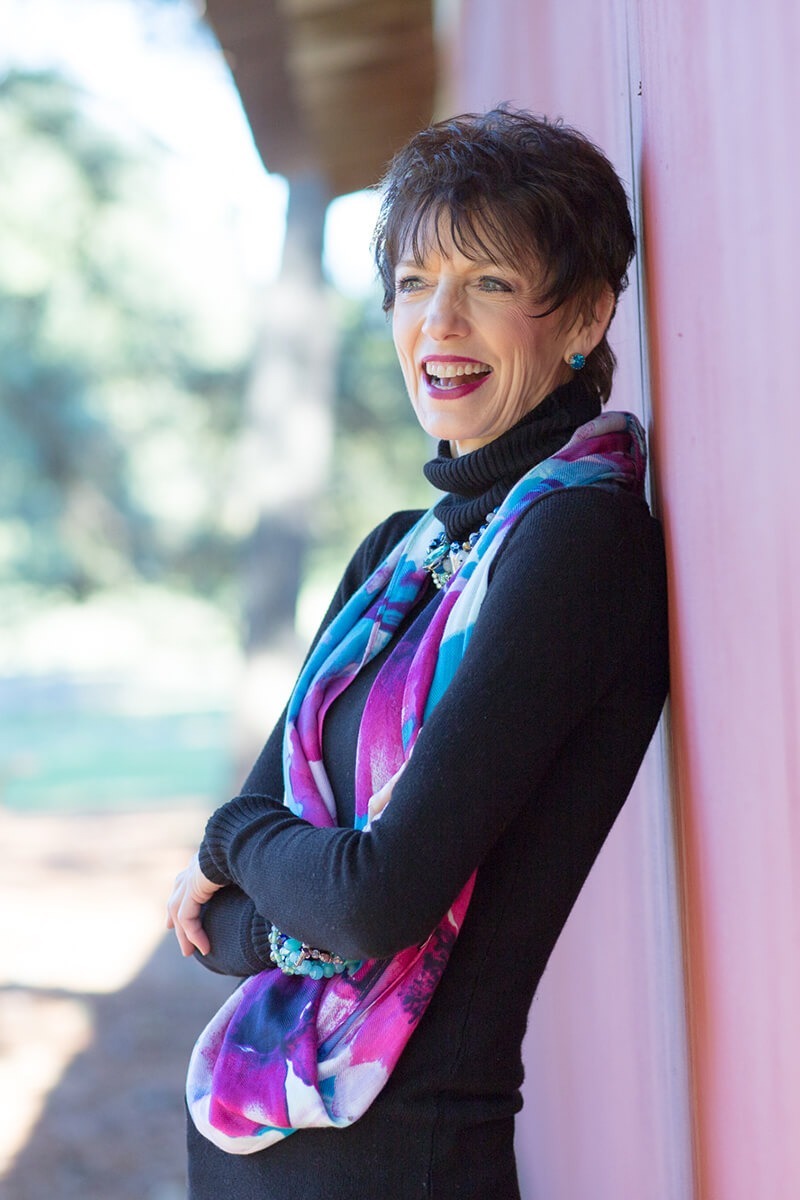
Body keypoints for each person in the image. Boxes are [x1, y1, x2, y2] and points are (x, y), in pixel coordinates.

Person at [167, 106, 669, 1200]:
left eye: (487, 282)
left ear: (582, 313)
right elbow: (215, 931)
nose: (436, 322)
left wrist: (233, 839)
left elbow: (365, 902)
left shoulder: (579, 541)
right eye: (410, 282)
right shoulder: (398, 557)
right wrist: (264, 865)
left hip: (405, 1161)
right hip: (257, 1141)